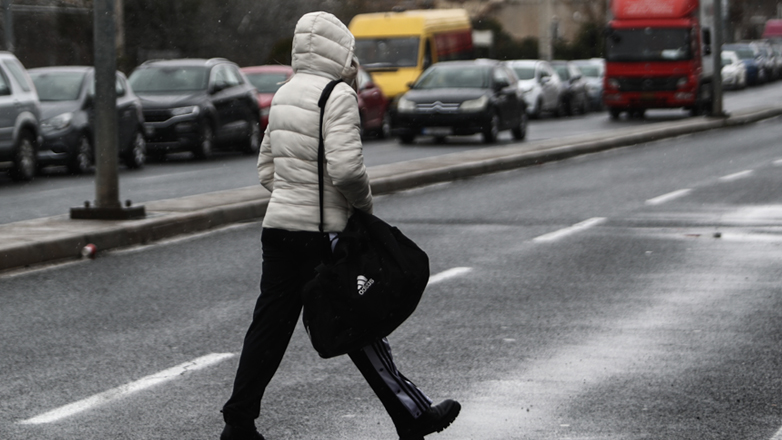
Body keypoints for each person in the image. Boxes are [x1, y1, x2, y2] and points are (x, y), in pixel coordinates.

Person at [220, 11, 461, 440]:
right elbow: (348, 171)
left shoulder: (284, 94)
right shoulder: (337, 96)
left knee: (269, 329)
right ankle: (412, 414)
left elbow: (266, 170)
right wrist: (361, 208)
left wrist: (294, 194)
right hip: (322, 234)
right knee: (359, 320)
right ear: (339, 50)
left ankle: (239, 422)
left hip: (278, 231)